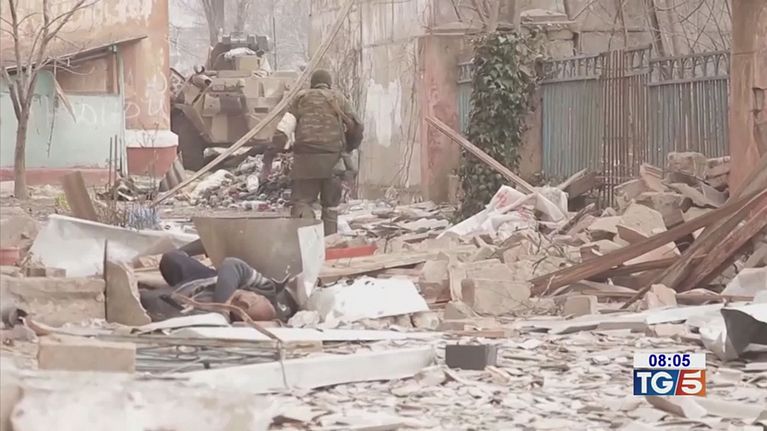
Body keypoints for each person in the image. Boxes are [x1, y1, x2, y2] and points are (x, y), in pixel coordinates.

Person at [288, 69, 362, 235]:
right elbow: (357, 126)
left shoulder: (300, 98)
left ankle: (306, 242)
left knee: (303, 203)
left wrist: (276, 149)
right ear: (329, 84)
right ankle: (329, 242)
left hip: (305, 162)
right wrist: (349, 147)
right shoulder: (338, 99)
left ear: (312, 84)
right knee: (330, 207)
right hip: (333, 162)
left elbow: (284, 128)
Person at [155, 250, 297, 322]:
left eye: (239, 303)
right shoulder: (267, 290)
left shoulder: (222, 321)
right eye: (255, 298)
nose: (248, 298)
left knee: (151, 300)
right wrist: (222, 305)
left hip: (185, 293)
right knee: (171, 258)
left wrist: (221, 314)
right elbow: (232, 264)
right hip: (206, 277)